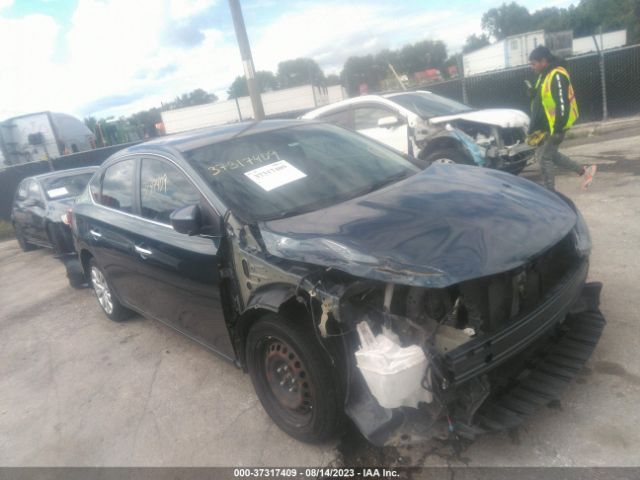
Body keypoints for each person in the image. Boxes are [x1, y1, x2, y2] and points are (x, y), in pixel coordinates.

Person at [527, 45, 596, 190]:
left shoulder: (557, 75)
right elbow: (544, 99)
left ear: (543, 61)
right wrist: (534, 92)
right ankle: (584, 171)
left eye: (533, 63)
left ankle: (549, 193)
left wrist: (558, 127)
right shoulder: (544, 75)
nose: (532, 67)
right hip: (545, 126)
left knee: (544, 157)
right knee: (552, 155)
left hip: (555, 126)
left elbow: (562, 102)